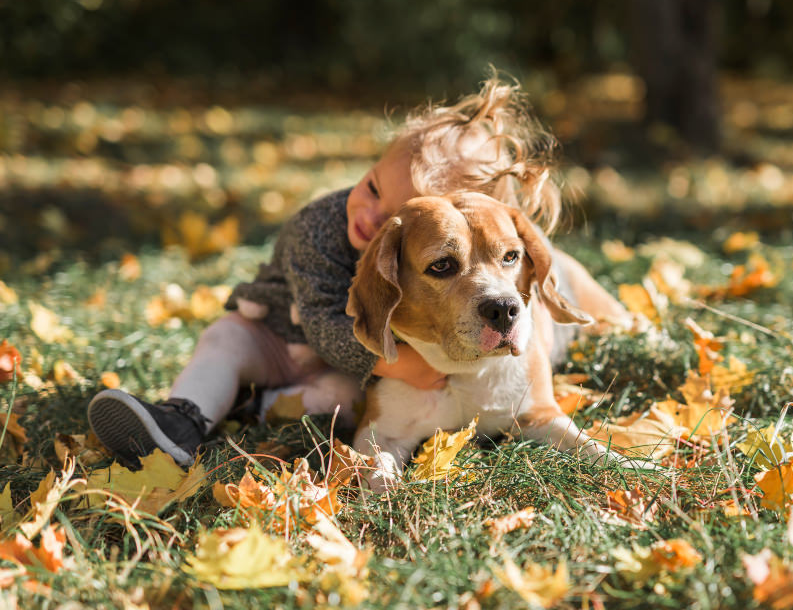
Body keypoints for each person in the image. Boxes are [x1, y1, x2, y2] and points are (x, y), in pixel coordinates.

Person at [87, 74, 628, 468]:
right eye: (370, 187)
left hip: (352, 363)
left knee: (337, 401)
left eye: (508, 258)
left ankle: (261, 405)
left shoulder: (497, 255)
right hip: (283, 334)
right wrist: (396, 368)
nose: (370, 216)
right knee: (224, 340)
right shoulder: (319, 229)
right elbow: (325, 323)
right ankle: (182, 418)